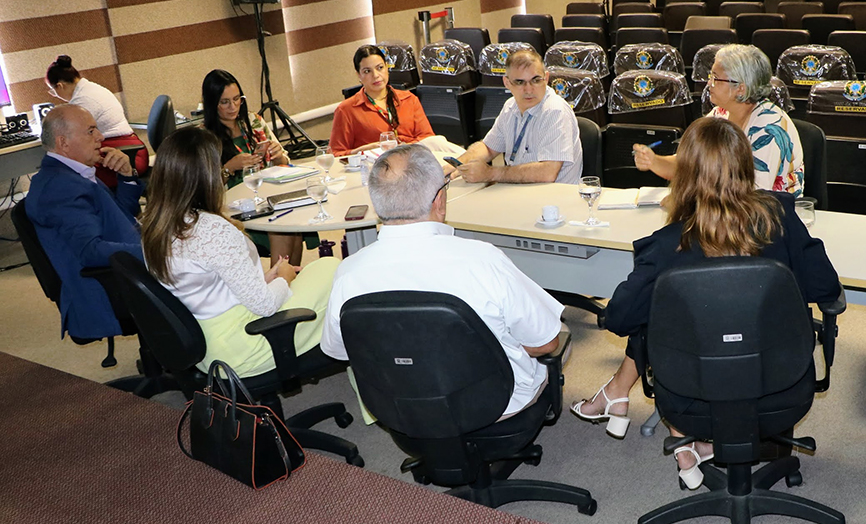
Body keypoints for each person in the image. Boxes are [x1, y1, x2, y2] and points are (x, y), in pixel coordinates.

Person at [576, 117, 840, 488]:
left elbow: (619, 319)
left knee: (653, 318)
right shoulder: (782, 217)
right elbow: (827, 289)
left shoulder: (666, 246)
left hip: (691, 396)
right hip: (783, 388)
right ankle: (662, 424)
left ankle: (625, 400)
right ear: (746, 166)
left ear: (684, 174)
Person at [321, 143, 564, 422]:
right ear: (440, 200)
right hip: (493, 404)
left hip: (399, 406)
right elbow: (546, 342)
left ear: (377, 203)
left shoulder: (348, 273)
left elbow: (341, 350)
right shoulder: (483, 261)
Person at [140, 128, 339, 377]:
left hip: (206, 344)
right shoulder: (211, 229)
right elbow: (265, 305)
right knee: (334, 270)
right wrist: (284, 277)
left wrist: (264, 279)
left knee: (321, 271)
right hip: (243, 345)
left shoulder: (155, 225)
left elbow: (207, 284)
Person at [24, 104, 143, 340]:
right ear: (63, 143)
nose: (100, 137)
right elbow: (91, 251)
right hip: (110, 288)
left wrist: (126, 175)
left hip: (125, 269)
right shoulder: (60, 187)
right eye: (90, 131)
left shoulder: (72, 173)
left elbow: (121, 217)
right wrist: (152, 252)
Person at [631, 44, 804, 195]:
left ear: (740, 88)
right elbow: (689, 164)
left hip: (770, 216)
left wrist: (690, 200)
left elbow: (754, 193)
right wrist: (654, 161)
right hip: (725, 210)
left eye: (715, 78)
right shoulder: (720, 114)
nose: (709, 84)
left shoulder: (769, 128)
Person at [201, 69, 301, 263]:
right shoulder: (205, 137)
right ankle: (278, 279)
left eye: (237, 99)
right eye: (225, 102)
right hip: (233, 206)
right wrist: (229, 168)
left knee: (294, 227)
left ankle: (290, 279)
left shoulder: (254, 121)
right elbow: (204, 187)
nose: (233, 107)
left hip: (266, 195)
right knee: (282, 230)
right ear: (212, 104)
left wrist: (278, 157)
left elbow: (285, 162)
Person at [447, 48, 582, 184]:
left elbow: (548, 173)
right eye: (519, 82)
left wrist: (490, 173)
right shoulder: (510, 107)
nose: (528, 89)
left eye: (536, 80)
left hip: (552, 194)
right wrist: (459, 163)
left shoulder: (555, 110)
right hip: (520, 189)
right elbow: (488, 148)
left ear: (546, 79)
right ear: (507, 83)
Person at [46, 55, 147, 187]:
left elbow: (68, 136)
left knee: (69, 176)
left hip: (125, 156)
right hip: (128, 150)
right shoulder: (92, 88)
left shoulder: (83, 100)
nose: (55, 95)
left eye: (53, 92)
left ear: (60, 86)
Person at [329, 44, 434, 156]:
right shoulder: (346, 110)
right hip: (373, 163)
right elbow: (335, 154)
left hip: (412, 159)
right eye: (367, 71)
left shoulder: (409, 99)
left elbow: (428, 139)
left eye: (380, 68)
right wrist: (362, 151)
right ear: (359, 75)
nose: (375, 75)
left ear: (387, 68)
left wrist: (405, 148)